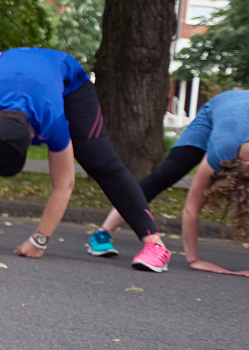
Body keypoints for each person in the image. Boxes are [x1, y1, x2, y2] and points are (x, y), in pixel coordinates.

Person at [0, 47, 169, 270]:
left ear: (37, 138)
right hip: (0, 68)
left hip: (65, 77)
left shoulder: (53, 121)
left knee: (100, 161)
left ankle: (155, 244)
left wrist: (39, 240)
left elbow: (64, 184)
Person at [89, 89, 249, 274]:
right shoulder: (221, 152)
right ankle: (102, 232)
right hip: (218, 106)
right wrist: (194, 260)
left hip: (235, 113)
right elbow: (191, 209)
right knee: (167, 174)